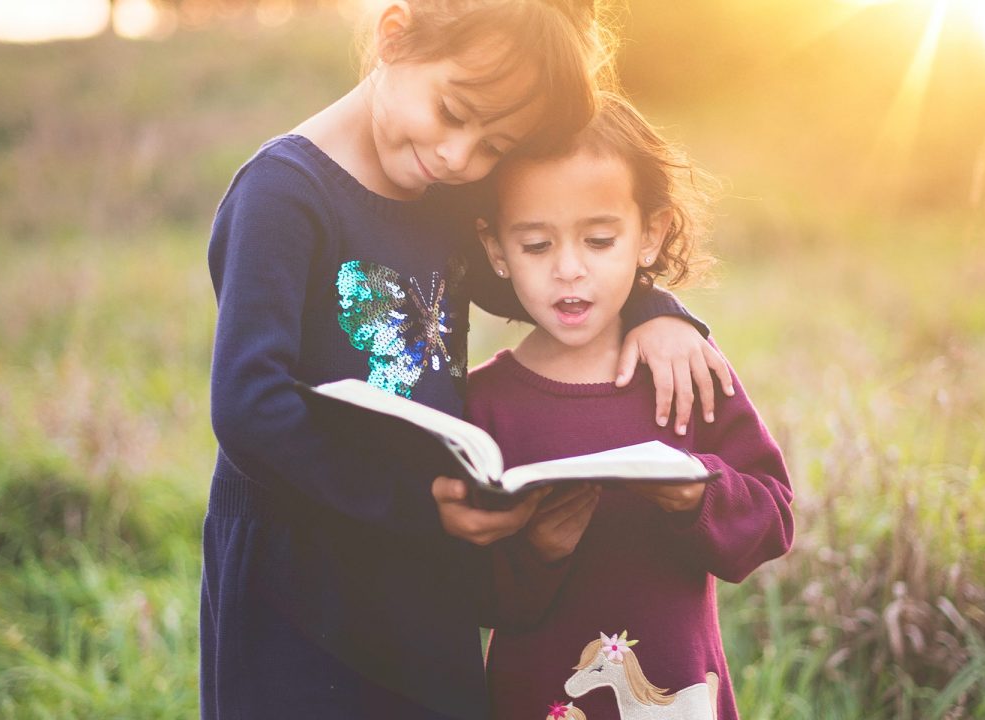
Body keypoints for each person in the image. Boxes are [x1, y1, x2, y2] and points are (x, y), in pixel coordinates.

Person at [201, 2, 730, 718]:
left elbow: (547, 285)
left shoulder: (443, 198)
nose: (460, 157)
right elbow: (248, 407)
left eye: (493, 146)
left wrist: (658, 312)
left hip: (423, 567)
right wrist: (419, 506)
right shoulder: (283, 195)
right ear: (393, 35)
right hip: (300, 575)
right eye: (453, 111)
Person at [470, 93, 795, 720]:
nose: (569, 269)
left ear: (650, 234)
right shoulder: (485, 405)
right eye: (536, 245)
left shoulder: (683, 372)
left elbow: (773, 518)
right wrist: (536, 549)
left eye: (598, 239)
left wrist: (699, 496)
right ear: (496, 250)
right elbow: (466, 592)